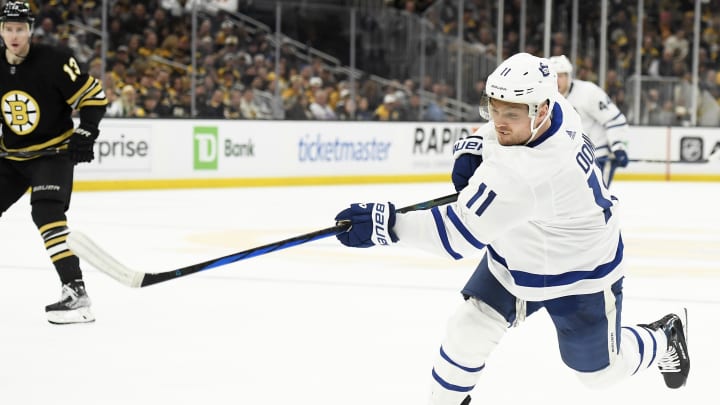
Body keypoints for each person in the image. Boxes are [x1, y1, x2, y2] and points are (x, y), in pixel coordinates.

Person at [333, 53, 690, 405]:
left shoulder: (527, 173)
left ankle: (664, 337)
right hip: (520, 249)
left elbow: (455, 236)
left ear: (541, 110)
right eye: (494, 108)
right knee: (468, 330)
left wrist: (386, 224)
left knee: (600, 375)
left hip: (580, 271)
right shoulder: (559, 108)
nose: (500, 122)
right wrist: (476, 143)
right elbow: (503, 122)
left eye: (512, 115)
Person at [0, 1, 108, 324]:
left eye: (20, 29)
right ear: (1, 30)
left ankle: (75, 292)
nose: (14, 35)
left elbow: (94, 97)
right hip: (12, 155)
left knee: (46, 211)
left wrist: (86, 132)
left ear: (30, 29)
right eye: (8, 29)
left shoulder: (54, 61)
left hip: (53, 153)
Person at [548, 55, 629, 186]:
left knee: (597, 203)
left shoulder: (588, 92)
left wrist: (619, 146)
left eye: (561, 76)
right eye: (553, 76)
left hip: (598, 156)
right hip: (568, 161)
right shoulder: (545, 98)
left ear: (569, 77)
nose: (557, 81)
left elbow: (614, 119)